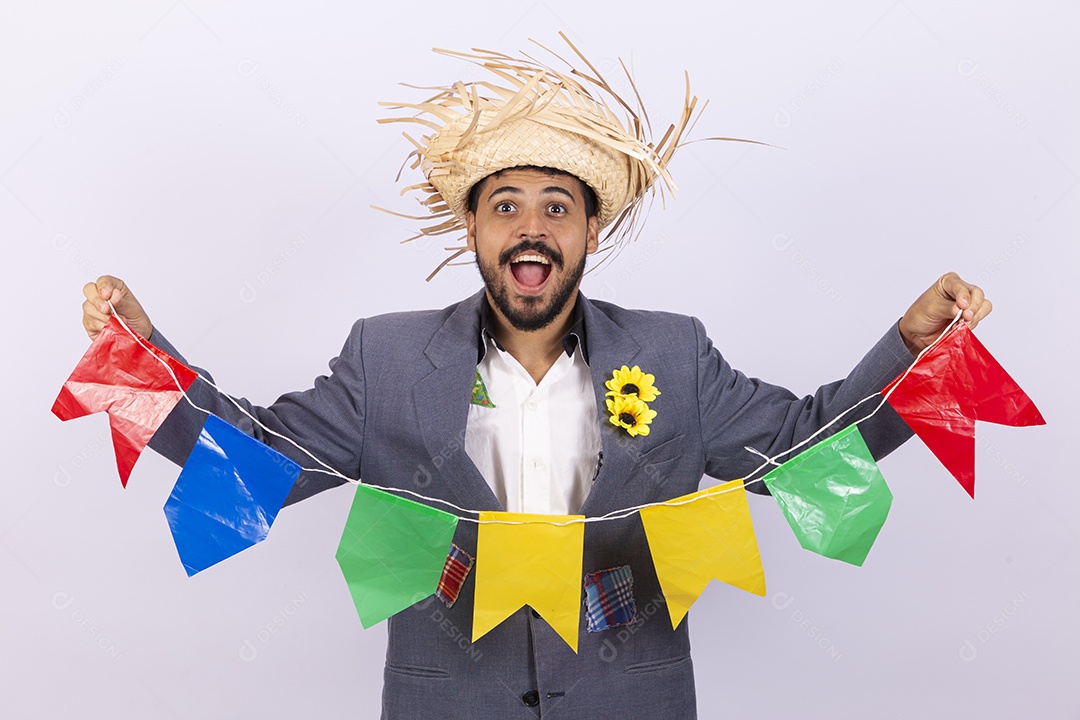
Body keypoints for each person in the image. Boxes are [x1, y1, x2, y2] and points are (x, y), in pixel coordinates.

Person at [77, 40, 990, 719]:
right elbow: (253, 462)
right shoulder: (386, 358)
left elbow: (800, 452)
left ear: (591, 232)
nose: (531, 227)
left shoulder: (674, 354)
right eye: (505, 205)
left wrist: (912, 350)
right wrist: (143, 352)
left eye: (558, 207)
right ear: (472, 231)